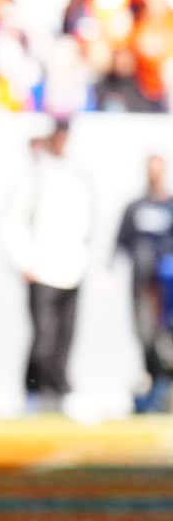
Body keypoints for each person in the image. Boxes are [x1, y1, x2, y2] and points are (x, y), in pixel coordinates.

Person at [5, 119, 90, 411]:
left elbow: (85, 223)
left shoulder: (76, 176)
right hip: (42, 270)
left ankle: (53, 393)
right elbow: (13, 222)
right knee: (43, 337)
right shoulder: (37, 176)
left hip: (71, 269)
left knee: (65, 338)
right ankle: (38, 392)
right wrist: (23, 261)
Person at [115, 153, 173, 412]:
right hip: (142, 286)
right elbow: (121, 241)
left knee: (165, 339)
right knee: (145, 336)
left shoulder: (170, 205)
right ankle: (153, 385)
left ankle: (165, 388)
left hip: (167, 287)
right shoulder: (135, 206)